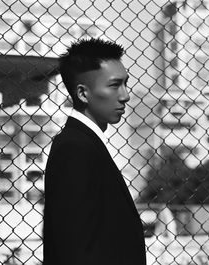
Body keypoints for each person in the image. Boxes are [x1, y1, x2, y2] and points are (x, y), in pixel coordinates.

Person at [42, 38, 146, 265]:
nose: (125, 95)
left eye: (125, 83)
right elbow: (77, 249)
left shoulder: (86, 145)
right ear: (82, 93)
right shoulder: (75, 149)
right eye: (114, 85)